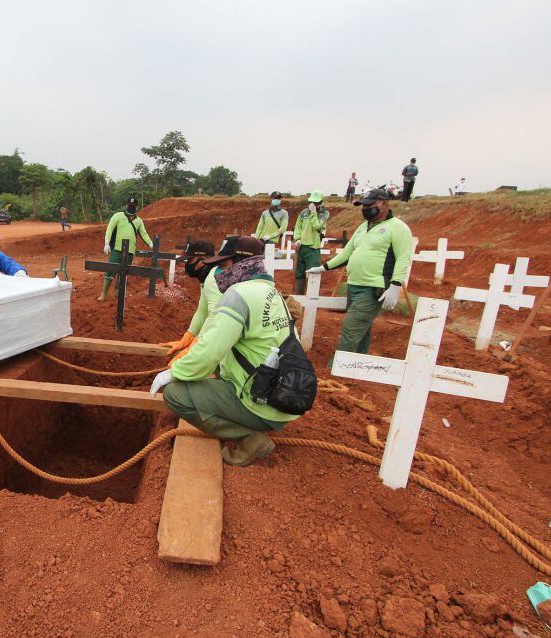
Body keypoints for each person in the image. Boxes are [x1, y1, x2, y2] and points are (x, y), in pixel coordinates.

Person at [149, 236, 302, 466]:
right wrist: (189, 338)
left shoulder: (239, 295)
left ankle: (248, 438)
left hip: (263, 403)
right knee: (218, 371)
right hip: (283, 394)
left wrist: (174, 372)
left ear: (237, 263)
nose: (218, 273)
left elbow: (211, 350)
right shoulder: (270, 291)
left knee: (175, 394)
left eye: (222, 266)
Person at [306, 188, 414, 355]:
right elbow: (347, 253)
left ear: (383, 204)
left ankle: (337, 369)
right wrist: (323, 267)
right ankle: (358, 366)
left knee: (351, 327)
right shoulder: (363, 227)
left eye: (368, 205)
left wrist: (395, 285)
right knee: (362, 328)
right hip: (354, 285)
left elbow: (403, 258)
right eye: (363, 206)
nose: (365, 209)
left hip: (373, 287)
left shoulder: (398, 228)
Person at [161, 240, 221, 363]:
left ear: (202, 259)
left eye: (189, 260)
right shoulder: (206, 277)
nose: (187, 264)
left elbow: (216, 314)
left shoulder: (213, 279)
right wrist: (188, 336)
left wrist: (196, 343)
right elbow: (202, 312)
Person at [98, 197, 152, 302]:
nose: (131, 207)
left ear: (137, 207)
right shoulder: (118, 216)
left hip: (130, 251)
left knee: (124, 273)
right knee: (110, 270)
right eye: (130, 205)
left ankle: (118, 293)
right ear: (127, 205)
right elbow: (110, 229)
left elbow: (144, 234)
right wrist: (106, 242)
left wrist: (151, 244)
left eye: (133, 206)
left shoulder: (139, 221)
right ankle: (103, 294)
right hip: (117, 249)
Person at [292, 190, 330, 295]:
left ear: (321, 202)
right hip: (301, 247)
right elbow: (298, 226)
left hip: (313, 248)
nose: (313, 204)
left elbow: (317, 226)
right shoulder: (304, 212)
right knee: (299, 274)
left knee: (313, 273)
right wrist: (298, 238)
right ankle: (299, 298)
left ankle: (311, 297)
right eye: (312, 202)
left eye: (316, 202)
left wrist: (313, 213)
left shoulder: (324, 214)